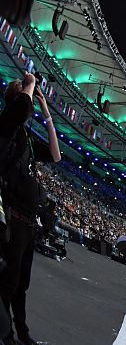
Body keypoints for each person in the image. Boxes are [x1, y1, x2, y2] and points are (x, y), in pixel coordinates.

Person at [0, 73, 60, 345]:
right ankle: (7, 335)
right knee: (7, 285)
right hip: (11, 220)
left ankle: (21, 333)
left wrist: (46, 112)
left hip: (27, 224)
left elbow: (56, 154)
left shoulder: (25, 137)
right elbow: (19, 110)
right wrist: (30, 84)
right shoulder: (7, 128)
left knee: (20, 286)